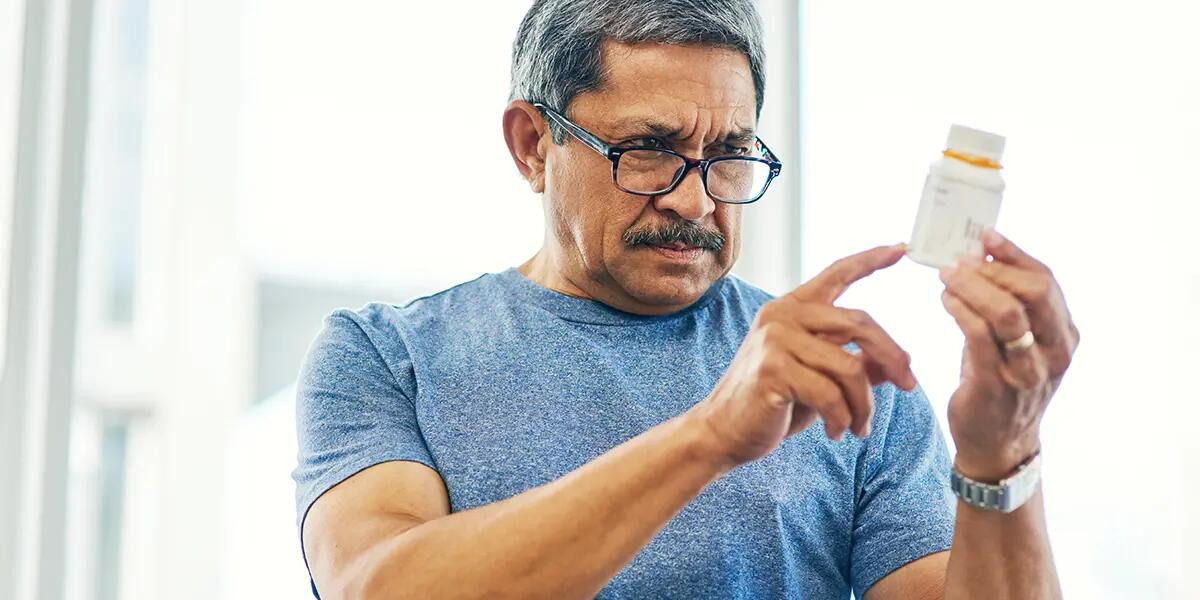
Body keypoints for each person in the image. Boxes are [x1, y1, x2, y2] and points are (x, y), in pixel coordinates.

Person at [292, 1, 1079, 598]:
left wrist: (1001, 456)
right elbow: (378, 585)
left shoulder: (843, 376)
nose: (697, 203)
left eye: (730, 155)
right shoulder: (386, 356)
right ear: (534, 144)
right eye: (650, 151)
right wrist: (710, 434)